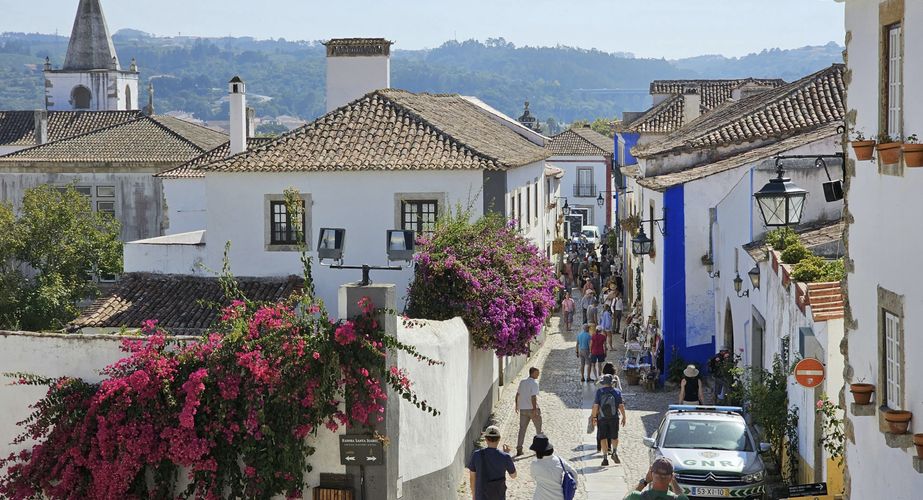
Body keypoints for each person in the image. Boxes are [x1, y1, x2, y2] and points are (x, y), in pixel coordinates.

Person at [467, 425, 517, 500]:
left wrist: (474, 494)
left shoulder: (476, 455)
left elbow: (472, 477)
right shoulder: (505, 457)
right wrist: (507, 455)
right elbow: (513, 476)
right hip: (498, 496)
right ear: (499, 439)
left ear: (486, 439)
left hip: (481, 496)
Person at [590, 374, 626, 466]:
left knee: (603, 438)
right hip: (614, 418)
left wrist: (594, 417)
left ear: (603, 383)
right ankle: (614, 452)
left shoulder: (599, 392)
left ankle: (605, 458)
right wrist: (624, 416)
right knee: (615, 437)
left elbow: (595, 406)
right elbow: (621, 405)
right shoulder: (617, 392)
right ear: (612, 383)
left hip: (602, 418)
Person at [529, 434, 577, 500]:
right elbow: (574, 472)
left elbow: (533, 476)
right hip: (559, 497)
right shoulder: (559, 460)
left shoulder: (535, 464)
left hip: (541, 497)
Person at [624, 457, 689, 499]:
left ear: (651, 474)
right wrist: (673, 481)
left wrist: (645, 481)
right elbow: (682, 496)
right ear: (671, 477)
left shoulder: (635, 496)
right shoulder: (680, 499)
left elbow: (625, 497)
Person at [515, 367, 542, 456]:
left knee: (522, 430)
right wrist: (534, 409)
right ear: (532, 373)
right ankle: (539, 448)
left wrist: (517, 405)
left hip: (523, 409)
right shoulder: (534, 383)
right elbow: (533, 397)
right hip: (532, 409)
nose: (538, 374)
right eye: (537, 373)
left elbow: (517, 394)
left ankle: (519, 448)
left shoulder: (522, 382)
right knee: (538, 429)